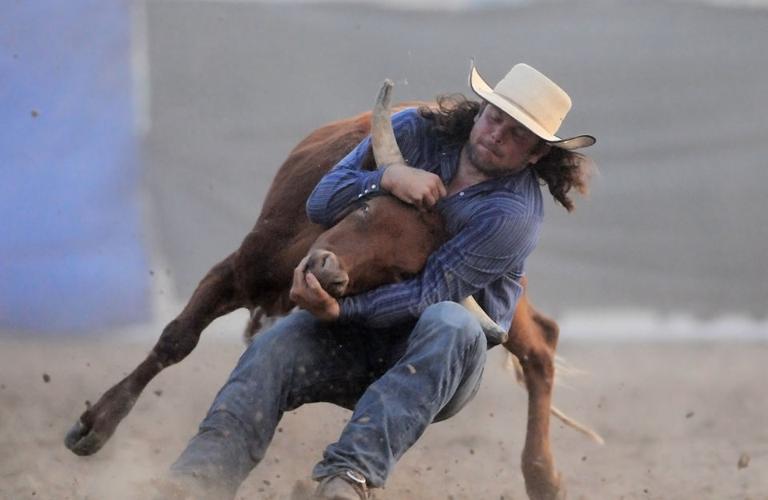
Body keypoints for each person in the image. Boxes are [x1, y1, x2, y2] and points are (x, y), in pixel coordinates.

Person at [167, 62, 595, 500]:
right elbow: (322, 202)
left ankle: (349, 478)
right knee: (274, 346)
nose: (496, 134)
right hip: (350, 340)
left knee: (453, 320)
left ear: (537, 153)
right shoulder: (412, 131)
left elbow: (426, 294)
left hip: (433, 360)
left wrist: (339, 309)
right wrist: (387, 177)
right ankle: (200, 479)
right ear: (481, 109)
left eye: (517, 133)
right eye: (494, 117)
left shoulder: (511, 216)